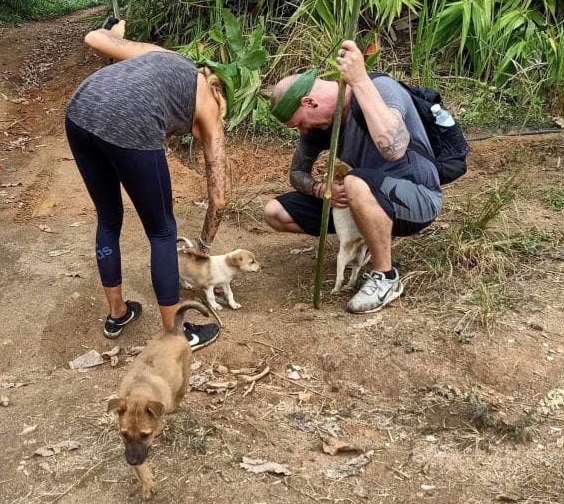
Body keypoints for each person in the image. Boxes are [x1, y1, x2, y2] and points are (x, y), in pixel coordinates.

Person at [65, 19, 228, 350]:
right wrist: (204, 248)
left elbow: (94, 37)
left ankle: (117, 313)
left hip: (80, 109)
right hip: (131, 116)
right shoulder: (210, 108)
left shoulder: (161, 55)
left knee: (109, 218)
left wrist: (116, 29)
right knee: (163, 232)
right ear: (217, 94)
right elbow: (220, 198)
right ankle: (176, 335)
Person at [263, 40, 442, 313]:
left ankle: (386, 278)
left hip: (416, 198)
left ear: (308, 102)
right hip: (365, 197)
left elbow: (394, 148)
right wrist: (322, 189)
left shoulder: (379, 89)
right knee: (275, 212)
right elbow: (297, 173)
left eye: (299, 122)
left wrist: (359, 80)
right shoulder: (321, 127)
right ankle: (370, 239)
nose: (302, 129)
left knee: (354, 182)